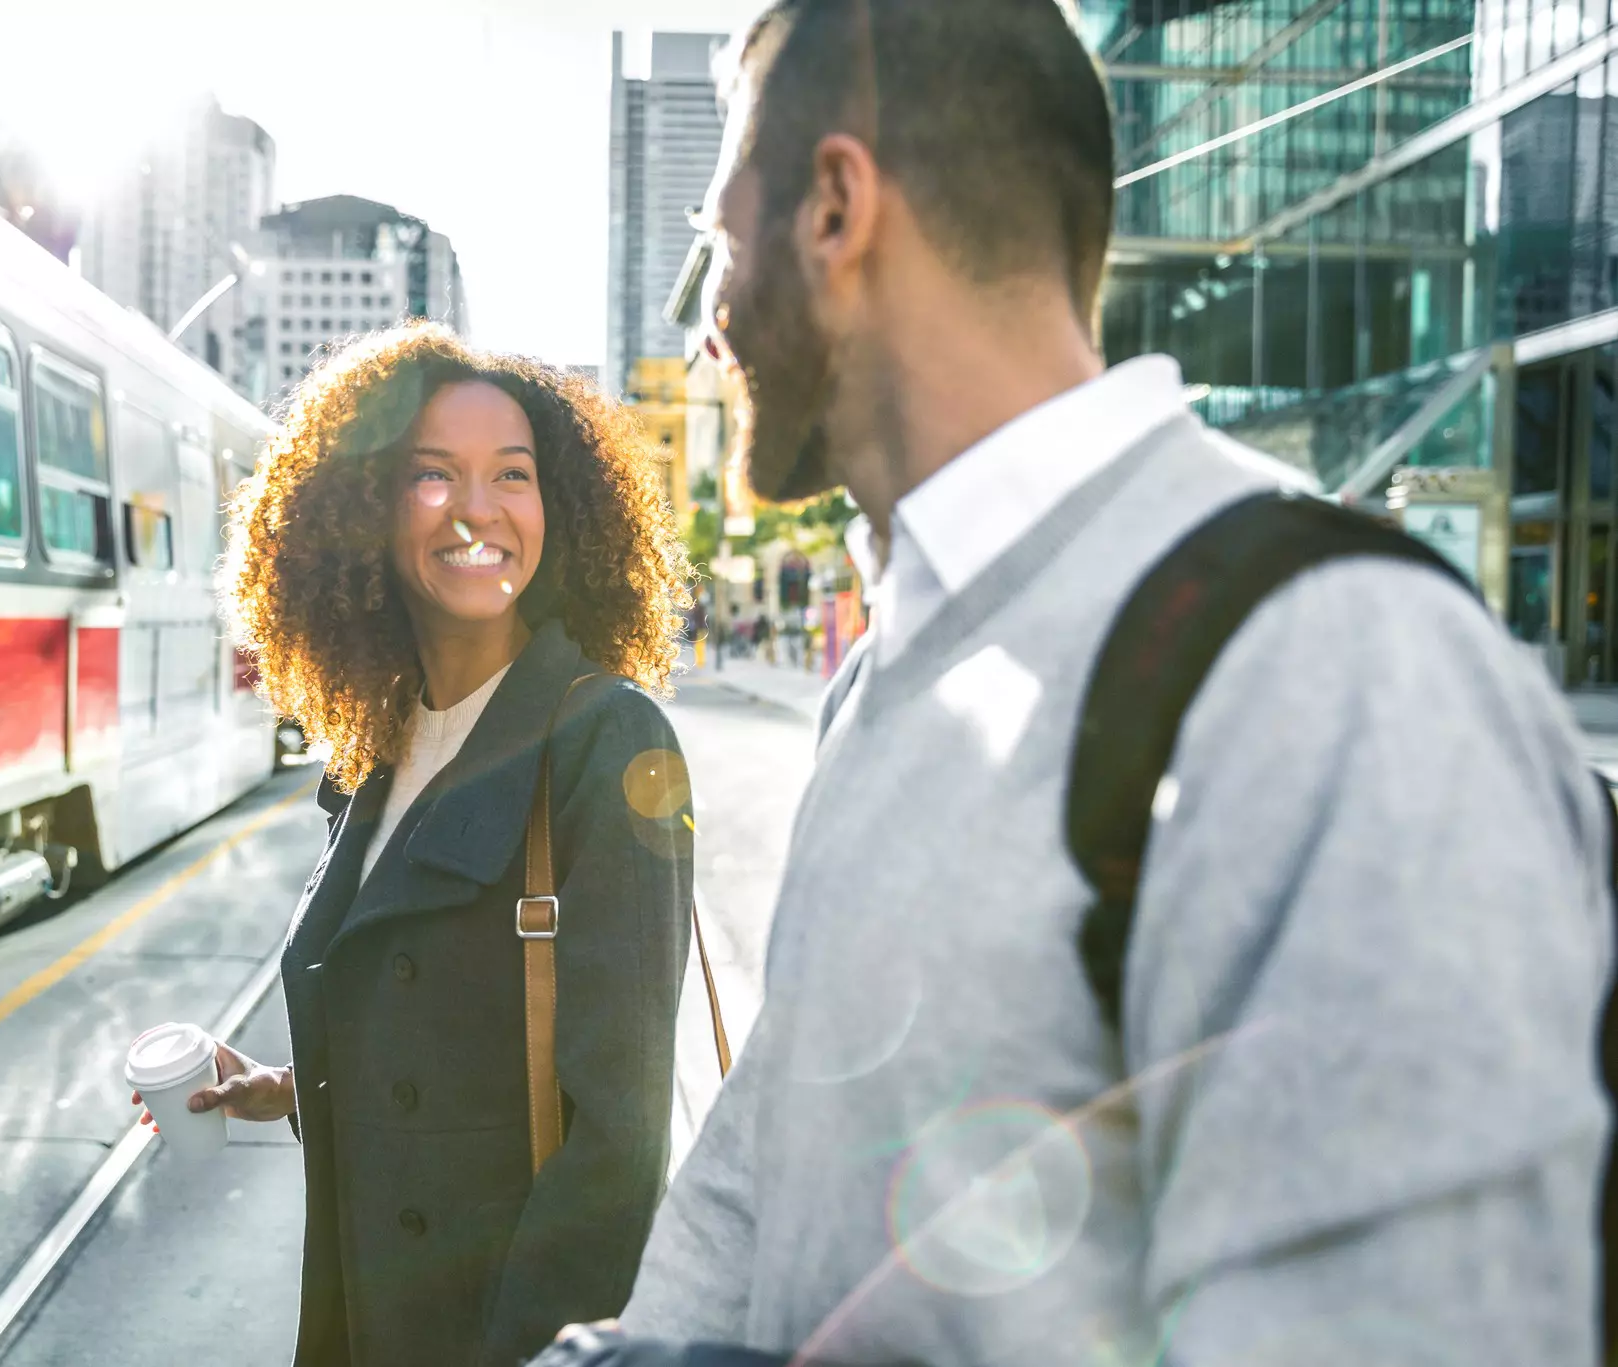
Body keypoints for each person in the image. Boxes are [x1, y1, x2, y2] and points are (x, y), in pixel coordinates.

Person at [541, 3, 1612, 1365]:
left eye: (718, 238)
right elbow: (765, 1163)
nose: (711, 328)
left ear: (833, 208)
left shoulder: (1332, 661)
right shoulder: (886, 670)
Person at [140, 325, 696, 1367]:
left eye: (513, 476)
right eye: (430, 475)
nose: (477, 508)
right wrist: (291, 1085)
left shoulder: (605, 734)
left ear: (558, 510)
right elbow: (450, 1044)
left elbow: (617, 1141)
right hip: (363, 1312)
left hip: (495, 1331)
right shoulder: (379, 747)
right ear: (363, 512)